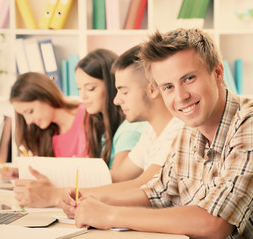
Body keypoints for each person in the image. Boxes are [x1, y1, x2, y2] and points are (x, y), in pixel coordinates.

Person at [73, 28, 253, 239]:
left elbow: (214, 223)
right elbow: (157, 193)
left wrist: (107, 215)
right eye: (168, 87)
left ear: (217, 73)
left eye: (188, 79)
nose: (180, 96)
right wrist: (87, 199)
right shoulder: (188, 132)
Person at [59, 45, 184, 218]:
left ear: (152, 89)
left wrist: (69, 195)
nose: (117, 100)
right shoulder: (151, 131)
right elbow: (119, 176)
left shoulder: (178, 130)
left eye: (124, 91)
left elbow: (144, 186)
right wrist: (72, 192)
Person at [12, 49, 146, 208]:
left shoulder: (130, 128)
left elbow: (116, 179)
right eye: (79, 89)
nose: (82, 97)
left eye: (90, 88)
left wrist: (55, 193)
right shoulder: (112, 132)